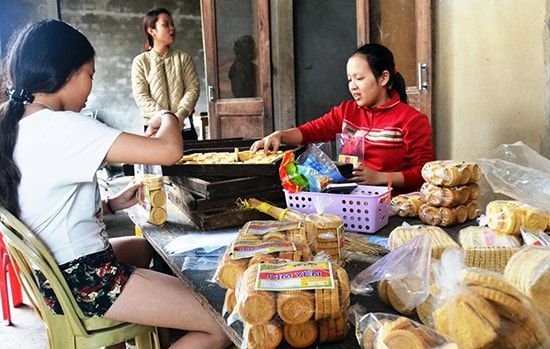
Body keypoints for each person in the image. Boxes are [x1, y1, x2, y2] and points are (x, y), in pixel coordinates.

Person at [0, 19, 231, 349]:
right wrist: (167, 116)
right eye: (90, 75)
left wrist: (110, 205)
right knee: (221, 321)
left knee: (148, 246)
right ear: (67, 73)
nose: (90, 88)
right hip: (85, 280)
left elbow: (42, 199)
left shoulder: (16, 120)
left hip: (53, 278)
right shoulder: (62, 126)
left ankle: (152, 320)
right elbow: (169, 150)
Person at [251, 43, 435, 195]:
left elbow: (423, 172)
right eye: (349, 80)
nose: (353, 87)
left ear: (383, 78)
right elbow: (311, 131)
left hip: (392, 207)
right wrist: (280, 135)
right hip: (350, 201)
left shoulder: (411, 120)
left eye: (359, 78)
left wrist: (380, 177)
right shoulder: (346, 112)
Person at [132, 8, 200, 141]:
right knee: (160, 161)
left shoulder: (183, 58)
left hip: (183, 125)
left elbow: (193, 88)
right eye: (166, 24)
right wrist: (165, 117)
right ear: (151, 31)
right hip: (156, 128)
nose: (172, 28)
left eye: (172, 24)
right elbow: (141, 96)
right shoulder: (141, 62)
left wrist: (180, 115)